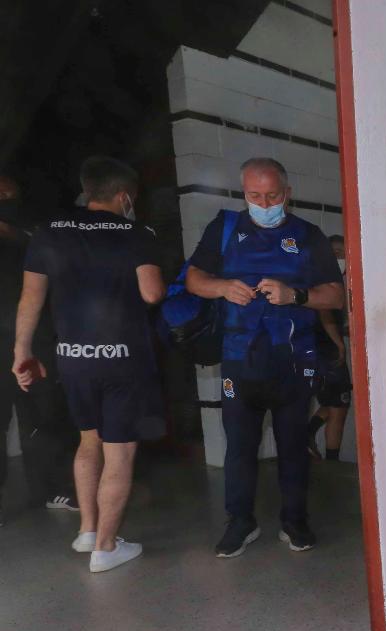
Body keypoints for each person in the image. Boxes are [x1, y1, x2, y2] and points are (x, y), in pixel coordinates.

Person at [185, 158, 344, 557]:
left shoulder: (308, 235)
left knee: (293, 445)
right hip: (239, 359)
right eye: (255, 196)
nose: (264, 203)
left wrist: (296, 295)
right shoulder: (224, 229)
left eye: (272, 195)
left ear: (287, 193)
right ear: (244, 193)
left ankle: (295, 520)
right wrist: (223, 287)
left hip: (294, 359)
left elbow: (336, 295)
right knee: (239, 446)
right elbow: (194, 279)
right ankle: (240, 522)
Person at [12, 157, 165, 572]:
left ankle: (86, 531)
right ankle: (106, 547)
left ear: (87, 190)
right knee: (120, 454)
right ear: (125, 196)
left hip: (73, 358)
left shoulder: (51, 231)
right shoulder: (137, 233)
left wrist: (21, 351)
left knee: (88, 442)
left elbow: (31, 297)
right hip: (122, 360)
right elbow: (152, 293)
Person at [0, 174, 79, 514]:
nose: (7, 198)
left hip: (37, 340)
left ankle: (53, 489)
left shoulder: (32, 234)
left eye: (10, 193)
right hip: (11, 341)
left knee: (46, 417)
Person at [307, 234, 351, 461]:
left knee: (335, 403)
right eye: (334, 253)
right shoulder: (324, 279)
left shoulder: (336, 279)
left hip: (319, 347)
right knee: (339, 405)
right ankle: (310, 437)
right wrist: (339, 344)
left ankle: (311, 436)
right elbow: (324, 312)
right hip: (326, 348)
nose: (338, 257)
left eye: (342, 253)